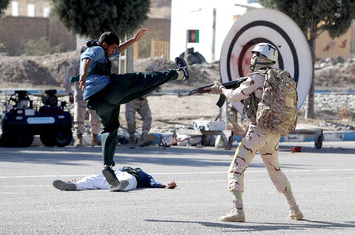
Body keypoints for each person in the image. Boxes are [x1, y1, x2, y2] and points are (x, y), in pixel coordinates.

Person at [76, 28, 189, 192]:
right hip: (106, 91)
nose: (115, 51)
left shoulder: (104, 54)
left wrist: (133, 41)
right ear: (105, 44)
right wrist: (82, 75)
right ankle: (178, 74)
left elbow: (115, 51)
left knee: (110, 128)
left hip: (97, 102)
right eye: (113, 48)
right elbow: (87, 58)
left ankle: (107, 166)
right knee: (140, 79)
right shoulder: (97, 49)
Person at [210, 43, 303, 222]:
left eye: (255, 55)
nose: (252, 59)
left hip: (258, 131)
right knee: (275, 171)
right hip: (274, 132)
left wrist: (220, 89)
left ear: (261, 58)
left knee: (236, 168)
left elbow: (235, 96)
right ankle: (295, 209)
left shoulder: (257, 78)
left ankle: (237, 211)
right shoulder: (277, 77)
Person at [64, 47, 101, 147]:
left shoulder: (95, 66)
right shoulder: (76, 66)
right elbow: (68, 80)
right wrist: (70, 93)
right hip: (80, 95)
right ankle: (79, 139)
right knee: (79, 117)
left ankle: (95, 138)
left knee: (95, 117)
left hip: (93, 95)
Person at [52, 166, 177, 192]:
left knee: (128, 180)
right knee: (92, 178)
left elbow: (152, 182)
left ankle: (117, 186)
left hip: (131, 179)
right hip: (116, 174)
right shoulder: (122, 169)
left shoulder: (142, 174)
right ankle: (75, 185)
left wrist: (164, 184)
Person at [125, 65, 160, 149]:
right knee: (131, 121)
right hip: (132, 101)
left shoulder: (155, 81)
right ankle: (132, 138)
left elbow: (158, 90)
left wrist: (157, 84)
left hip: (143, 102)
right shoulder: (140, 79)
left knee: (148, 117)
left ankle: (144, 136)